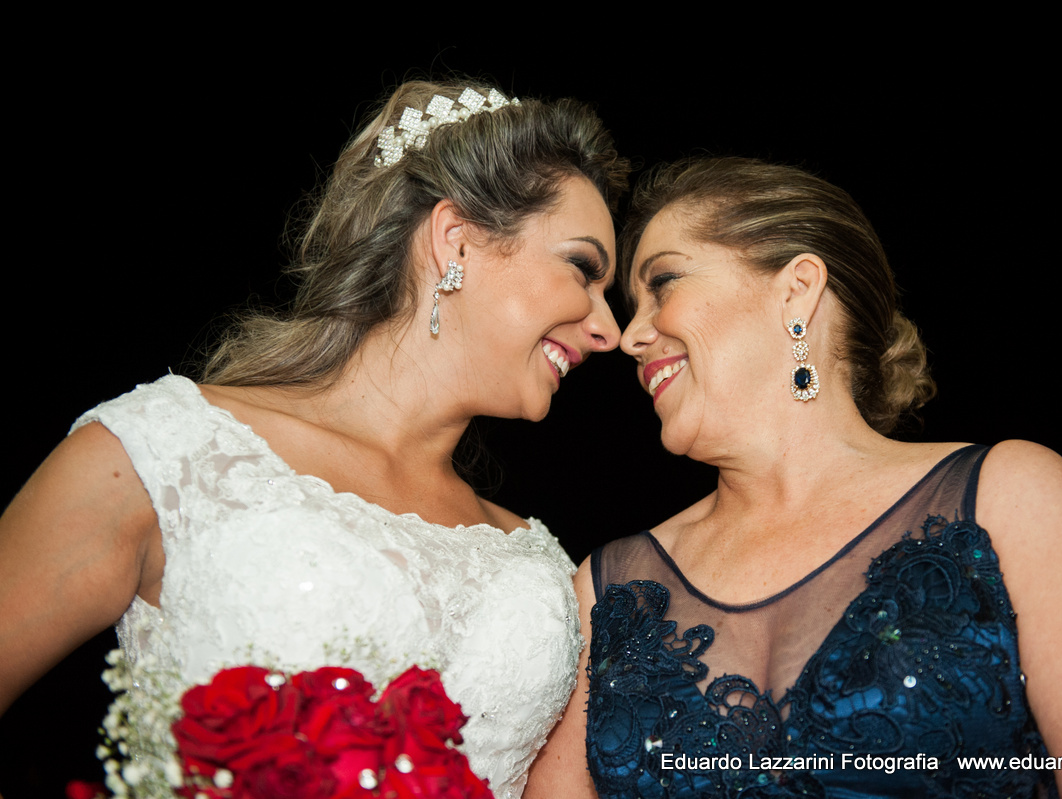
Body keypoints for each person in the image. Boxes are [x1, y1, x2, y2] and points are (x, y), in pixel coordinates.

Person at [0, 79, 628, 798]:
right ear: (456, 238)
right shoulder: (170, 451)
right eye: (582, 269)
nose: (607, 328)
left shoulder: (538, 560)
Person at [525, 157, 1062, 798]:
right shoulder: (608, 591)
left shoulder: (1007, 499)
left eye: (663, 283)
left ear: (797, 289)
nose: (631, 333)